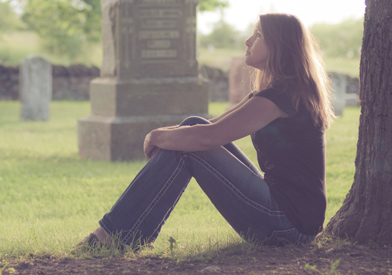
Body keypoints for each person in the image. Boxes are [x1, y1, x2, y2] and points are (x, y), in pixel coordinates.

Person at [78, 13, 334, 250]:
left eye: (258, 36)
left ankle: (116, 236)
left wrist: (155, 137)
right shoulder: (278, 92)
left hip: (288, 226)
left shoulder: (282, 96)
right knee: (192, 125)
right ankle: (122, 234)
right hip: (287, 217)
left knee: (191, 146)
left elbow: (209, 138)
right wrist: (169, 135)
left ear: (279, 45)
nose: (247, 41)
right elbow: (209, 126)